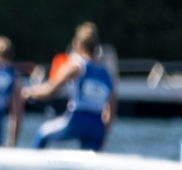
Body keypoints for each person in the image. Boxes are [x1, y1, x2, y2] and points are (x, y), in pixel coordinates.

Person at [22, 22, 117, 151]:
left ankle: (31, 166)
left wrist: (28, 92)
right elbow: (111, 112)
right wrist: (103, 138)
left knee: (43, 133)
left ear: (77, 44)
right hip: (98, 127)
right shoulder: (107, 74)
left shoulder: (77, 67)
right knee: (91, 161)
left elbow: (51, 90)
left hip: (77, 121)